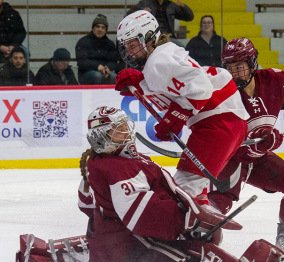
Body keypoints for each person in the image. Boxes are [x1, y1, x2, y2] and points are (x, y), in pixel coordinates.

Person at [8, 106, 284, 262]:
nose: (127, 133)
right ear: (104, 137)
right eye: (119, 130)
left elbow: (88, 205)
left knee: (195, 247)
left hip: (111, 250)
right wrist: (188, 219)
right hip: (131, 252)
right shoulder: (119, 169)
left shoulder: (100, 164)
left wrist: (188, 213)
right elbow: (143, 216)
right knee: (196, 260)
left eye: (125, 127)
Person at [114, 10, 249, 202]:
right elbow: (176, 88)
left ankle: (195, 230)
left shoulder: (158, 61)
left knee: (185, 191)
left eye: (132, 44)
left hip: (218, 122)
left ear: (148, 38)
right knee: (190, 189)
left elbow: (200, 87)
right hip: (225, 120)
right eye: (126, 45)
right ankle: (201, 231)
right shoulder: (162, 55)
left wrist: (176, 117)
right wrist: (141, 84)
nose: (128, 51)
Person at [207, 38, 284, 249]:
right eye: (230, 68)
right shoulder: (220, 92)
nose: (234, 73)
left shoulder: (275, 80)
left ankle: (283, 242)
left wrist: (265, 143)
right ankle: (192, 243)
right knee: (214, 208)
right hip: (230, 159)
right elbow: (217, 137)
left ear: (252, 62)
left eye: (239, 67)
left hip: (259, 160)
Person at [75, 14, 117, 85]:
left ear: (106, 30)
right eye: (97, 27)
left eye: (103, 27)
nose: (100, 29)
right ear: (92, 28)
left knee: (114, 77)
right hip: (86, 73)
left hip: (105, 72)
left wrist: (107, 68)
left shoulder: (110, 44)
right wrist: (97, 66)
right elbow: (82, 61)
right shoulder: (83, 42)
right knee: (97, 76)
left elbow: (113, 61)